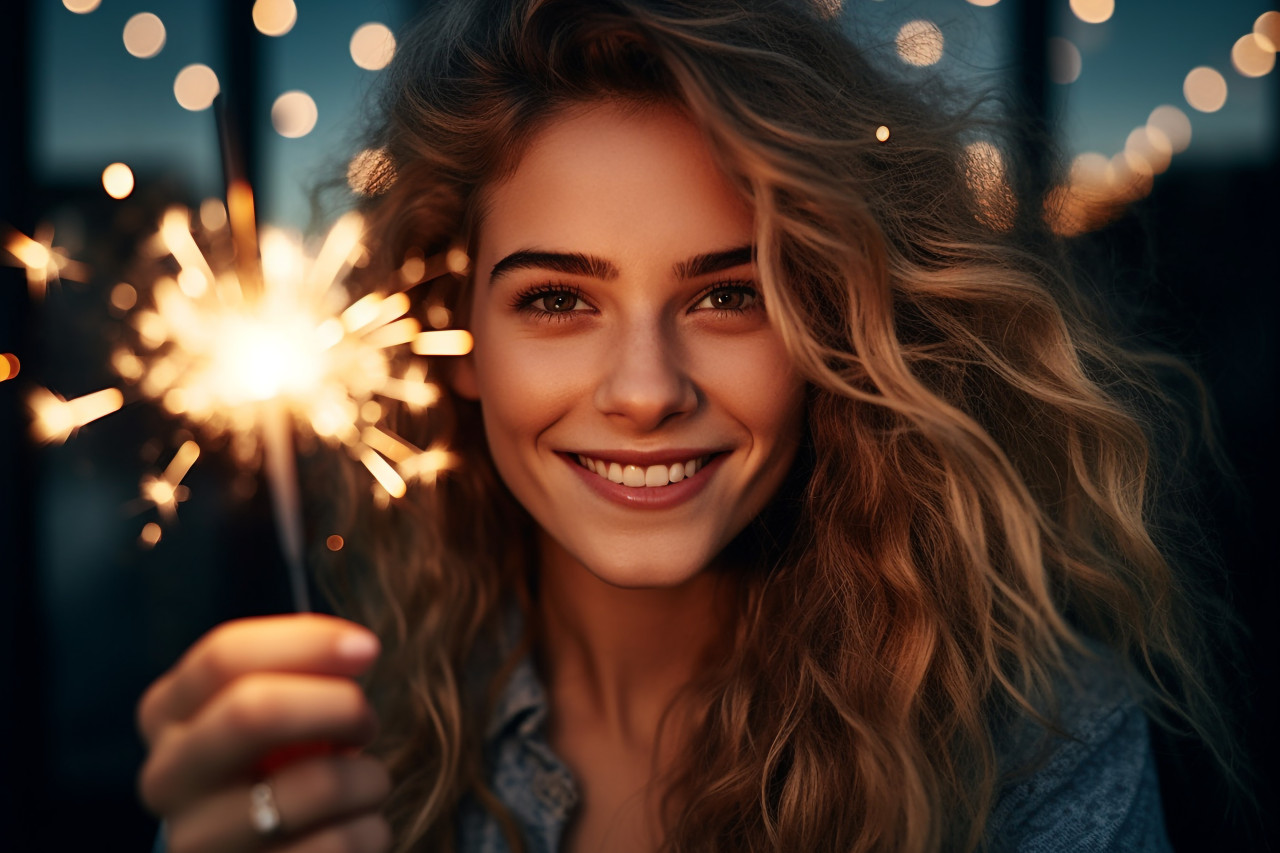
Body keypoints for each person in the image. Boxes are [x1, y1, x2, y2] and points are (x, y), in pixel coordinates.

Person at [136, 1, 1239, 851]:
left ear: (831, 328)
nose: (645, 389)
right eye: (558, 300)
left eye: (728, 294)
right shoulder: (341, 742)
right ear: (451, 338)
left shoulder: (1031, 739)